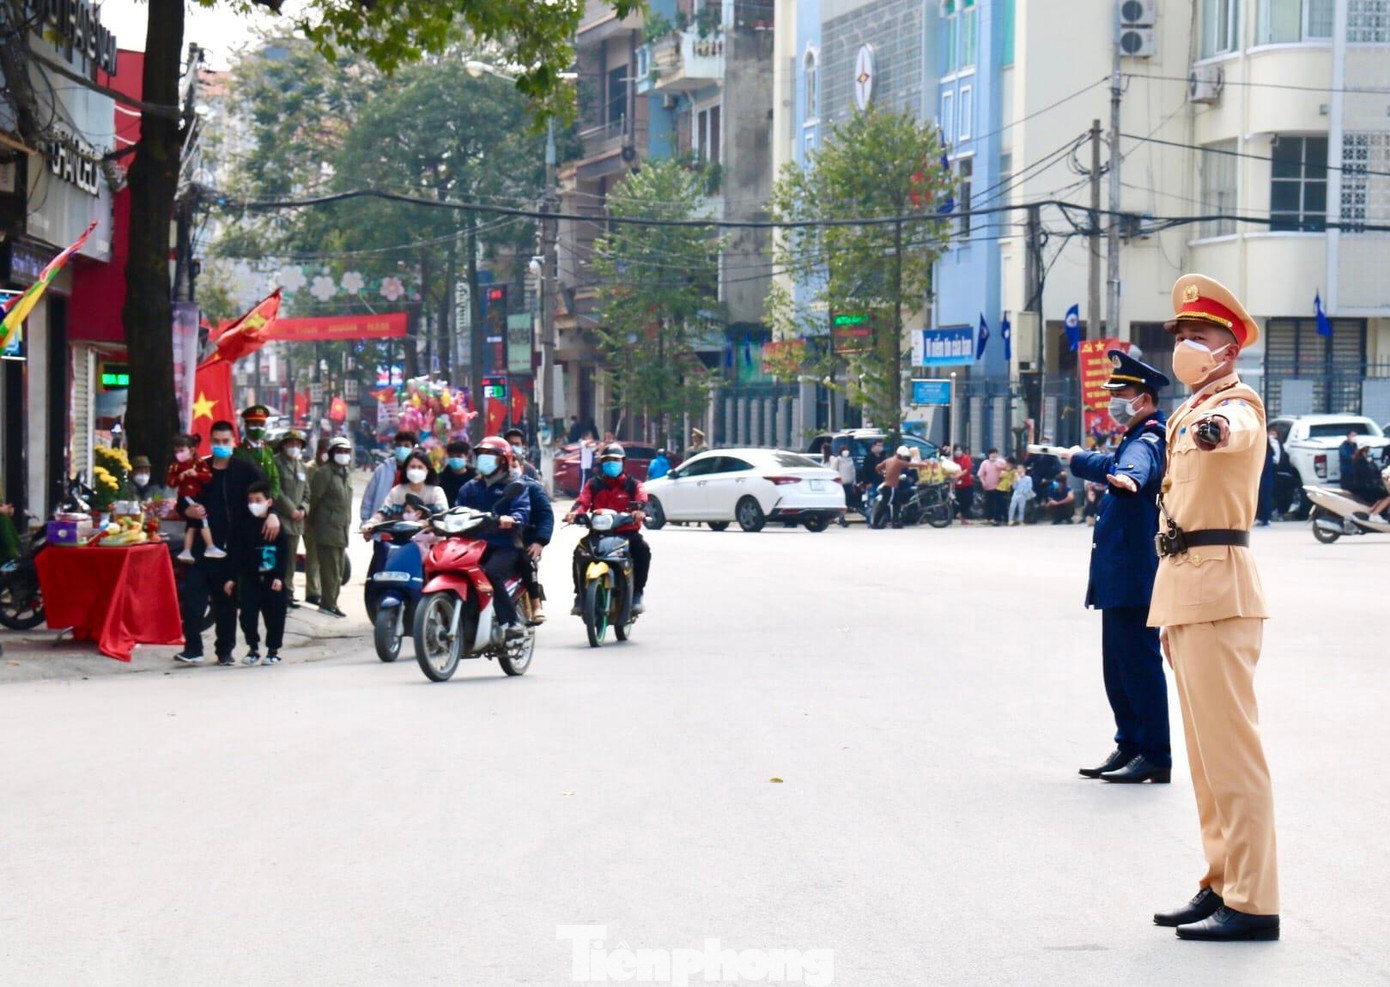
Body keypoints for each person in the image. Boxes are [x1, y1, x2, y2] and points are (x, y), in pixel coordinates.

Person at [1149, 273, 1278, 942]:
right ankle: (1221, 880)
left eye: (1197, 336)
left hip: (1222, 589)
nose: (1185, 347)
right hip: (1188, 591)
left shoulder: (1234, 405)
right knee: (1205, 761)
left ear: (1228, 348)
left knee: (1234, 757)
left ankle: (1254, 901)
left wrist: (1216, 428)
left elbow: (1237, 430)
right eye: (1181, 336)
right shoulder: (1186, 410)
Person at [1064, 350, 1172, 786]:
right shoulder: (1132, 438)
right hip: (1120, 578)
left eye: (1121, 393)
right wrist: (1081, 460)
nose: (1113, 401)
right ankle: (1130, 743)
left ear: (1143, 399)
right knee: (1118, 668)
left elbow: (1133, 470)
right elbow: (1111, 464)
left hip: (1136, 578)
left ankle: (1154, 754)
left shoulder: (1147, 440)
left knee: (1139, 667)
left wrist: (1127, 481)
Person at [173, 420, 278, 666]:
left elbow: (265, 494)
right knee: (193, 599)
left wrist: (272, 514)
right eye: (217, 442)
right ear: (210, 442)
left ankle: (224, 651)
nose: (221, 446)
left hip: (231, 547)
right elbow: (182, 499)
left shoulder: (245, 470)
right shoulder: (201, 468)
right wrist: (188, 513)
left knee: (226, 602)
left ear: (234, 442)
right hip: (201, 543)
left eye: (225, 442)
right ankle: (193, 648)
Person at [456, 436, 531, 636]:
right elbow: (457, 510)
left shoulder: (515, 486)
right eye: (482, 454)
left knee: (490, 573)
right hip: (473, 544)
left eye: (491, 455)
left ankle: (511, 622)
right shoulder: (469, 487)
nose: (485, 459)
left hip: (505, 545)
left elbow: (522, 511)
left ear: (504, 460)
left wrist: (512, 518)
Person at [565, 443, 650, 614]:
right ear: (601, 463)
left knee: (642, 550)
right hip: (599, 534)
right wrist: (574, 513)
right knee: (579, 553)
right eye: (607, 460)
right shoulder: (593, 484)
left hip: (627, 533)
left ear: (623, 462)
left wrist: (640, 511)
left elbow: (642, 501)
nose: (611, 464)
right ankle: (580, 596)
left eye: (615, 460)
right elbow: (582, 501)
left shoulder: (634, 484)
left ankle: (637, 594)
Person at [226, 481, 292, 665]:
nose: (254, 504)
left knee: (275, 615)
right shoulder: (243, 525)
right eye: (251, 501)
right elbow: (236, 553)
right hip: (249, 577)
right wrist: (232, 578)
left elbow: (284, 552)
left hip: (272, 578)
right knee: (247, 615)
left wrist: (279, 576)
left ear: (268, 502)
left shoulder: (275, 526)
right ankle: (253, 648)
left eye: (258, 500)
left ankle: (273, 650)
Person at [308, 436, 354, 618]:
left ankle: (332, 602)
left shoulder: (346, 473)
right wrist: (312, 525)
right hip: (326, 528)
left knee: (338, 571)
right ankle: (328, 604)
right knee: (329, 570)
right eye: (339, 451)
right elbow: (314, 500)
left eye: (346, 452)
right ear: (332, 453)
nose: (343, 455)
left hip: (341, 529)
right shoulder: (324, 473)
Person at [362, 430, 416, 580]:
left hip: (409, 531)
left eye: (406, 445)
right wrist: (366, 523)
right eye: (399, 445)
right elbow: (369, 498)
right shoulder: (382, 470)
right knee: (380, 567)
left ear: (413, 448)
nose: (402, 449)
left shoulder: (418, 470)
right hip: (384, 528)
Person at [168, 433, 222, 563]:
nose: (178, 454)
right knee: (202, 518)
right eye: (176, 451)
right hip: (186, 496)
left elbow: (208, 476)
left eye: (181, 450)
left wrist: (196, 474)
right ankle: (210, 546)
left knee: (193, 524)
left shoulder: (199, 462)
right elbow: (170, 482)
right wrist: (179, 478)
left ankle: (187, 551)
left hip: (196, 495)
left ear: (191, 450)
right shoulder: (175, 466)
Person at [273, 431, 310, 608]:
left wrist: (303, 508)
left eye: (297, 444)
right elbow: (276, 490)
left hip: (297, 522)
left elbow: (307, 492)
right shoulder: (276, 463)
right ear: (284, 445)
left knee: (291, 560)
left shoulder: (302, 466)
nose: (294, 448)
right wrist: (291, 509)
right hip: (281, 519)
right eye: (291, 444)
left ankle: (289, 591)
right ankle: (280, 592)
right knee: (281, 558)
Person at [367, 448, 450, 522]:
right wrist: (372, 522)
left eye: (420, 467)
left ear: (428, 470)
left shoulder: (436, 492)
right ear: (406, 470)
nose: (416, 470)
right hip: (400, 537)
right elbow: (383, 512)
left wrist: (428, 523)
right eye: (412, 467)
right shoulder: (396, 491)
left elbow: (442, 514)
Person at [517, 465, 555, 624]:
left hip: (527, 539)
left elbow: (546, 516)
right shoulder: (482, 486)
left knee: (525, 560)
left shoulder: (532, 488)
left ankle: (536, 603)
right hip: (497, 539)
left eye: (513, 465)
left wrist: (539, 541)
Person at [303, 438, 331, 606]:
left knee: (324, 558)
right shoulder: (309, 469)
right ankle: (312, 592)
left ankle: (321, 590)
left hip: (328, 521)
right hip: (311, 518)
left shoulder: (332, 469)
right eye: (324, 450)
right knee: (312, 557)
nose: (326, 454)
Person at [234, 405, 280, 499]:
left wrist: (271, 498)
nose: (258, 428)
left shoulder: (268, 450)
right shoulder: (238, 451)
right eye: (254, 424)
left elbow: (275, 478)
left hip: (266, 502)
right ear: (246, 426)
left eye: (261, 425)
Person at [875, 446, 919, 529]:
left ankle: (895, 522)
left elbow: (878, 467)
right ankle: (875, 523)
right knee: (884, 505)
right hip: (890, 487)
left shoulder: (888, 460)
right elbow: (911, 464)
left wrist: (883, 473)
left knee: (896, 504)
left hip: (891, 487)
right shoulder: (898, 462)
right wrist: (924, 464)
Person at [976, 448, 1008, 525]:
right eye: (992, 453)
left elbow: (1007, 469)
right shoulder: (985, 463)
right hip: (988, 486)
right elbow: (980, 474)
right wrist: (983, 482)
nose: (994, 455)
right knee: (989, 503)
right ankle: (989, 518)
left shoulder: (1001, 461)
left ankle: (998, 518)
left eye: (995, 453)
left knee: (998, 503)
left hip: (999, 486)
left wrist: (1000, 466)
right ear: (989, 455)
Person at [439, 439, 475, 505]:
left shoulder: (474, 478)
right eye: (452, 456)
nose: (455, 459)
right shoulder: (441, 478)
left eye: (459, 456)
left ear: (467, 456)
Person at [858, 438, 888, 516]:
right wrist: (867, 483)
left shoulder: (883, 457)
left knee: (882, 502)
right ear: (874, 446)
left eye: (882, 446)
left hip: (882, 483)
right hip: (872, 483)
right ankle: (870, 520)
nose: (880, 447)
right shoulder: (868, 458)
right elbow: (864, 472)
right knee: (871, 503)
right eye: (878, 445)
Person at [835, 446, 856, 526]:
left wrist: (854, 483)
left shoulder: (850, 460)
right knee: (841, 502)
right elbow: (834, 470)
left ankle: (842, 518)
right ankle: (840, 518)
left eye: (847, 450)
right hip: (840, 484)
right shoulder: (838, 460)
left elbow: (853, 472)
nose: (846, 452)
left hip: (849, 484)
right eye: (844, 450)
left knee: (846, 502)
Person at [952, 445, 975, 520]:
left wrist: (958, 475)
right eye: (956, 450)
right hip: (956, 485)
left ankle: (961, 514)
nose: (958, 452)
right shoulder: (952, 459)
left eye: (959, 450)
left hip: (967, 482)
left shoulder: (966, 458)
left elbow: (967, 469)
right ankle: (960, 516)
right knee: (958, 501)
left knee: (968, 500)